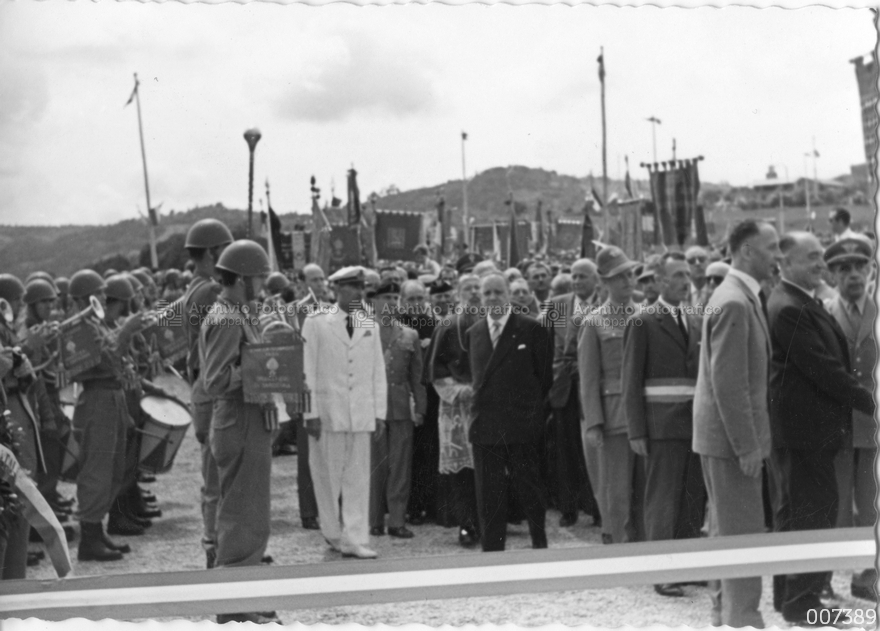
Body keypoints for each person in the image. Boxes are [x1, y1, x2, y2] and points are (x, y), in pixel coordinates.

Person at [766, 232, 874, 625]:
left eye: (818, 258)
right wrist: (872, 402)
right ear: (786, 262)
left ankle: (791, 597)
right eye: (811, 257)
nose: (819, 264)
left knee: (796, 514)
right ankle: (804, 604)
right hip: (805, 434)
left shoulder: (799, 301)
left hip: (808, 433)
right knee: (812, 516)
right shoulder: (791, 307)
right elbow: (824, 370)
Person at [693, 220, 780, 628]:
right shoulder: (734, 301)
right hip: (731, 442)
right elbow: (729, 385)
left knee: (724, 530)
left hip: (723, 438)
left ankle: (724, 613)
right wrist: (747, 447)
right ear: (747, 251)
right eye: (772, 247)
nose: (777, 255)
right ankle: (743, 618)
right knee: (742, 534)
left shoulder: (735, 296)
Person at [199, 239, 278, 624]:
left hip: (248, 420)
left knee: (251, 514)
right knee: (241, 515)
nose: (262, 285)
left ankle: (244, 594)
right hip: (239, 420)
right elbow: (214, 380)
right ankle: (235, 604)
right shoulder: (227, 318)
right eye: (258, 278)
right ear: (243, 279)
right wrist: (260, 368)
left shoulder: (237, 313)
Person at [622, 252, 705, 598]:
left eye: (687, 274)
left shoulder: (696, 319)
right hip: (660, 425)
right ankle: (662, 570)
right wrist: (637, 430)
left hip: (695, 425)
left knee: (692, 497)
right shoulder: (643, 321)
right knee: (662, 499)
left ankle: (686, 566)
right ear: (658, 281)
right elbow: (630, 380)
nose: (686, 281)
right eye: (677, 275)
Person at [302, 266, 387, 559]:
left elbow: (378, 372)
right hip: (327, 411)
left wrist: (379, 412)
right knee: (326, 476)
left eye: (361, 287)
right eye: (352, 287)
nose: (358, 293)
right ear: (337, 289)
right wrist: (309, 412)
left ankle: (354, 537)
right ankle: (332, 532)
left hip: (360, 411)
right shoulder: (316, 322)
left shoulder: (369, 325)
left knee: (358, 477)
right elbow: (306, 371)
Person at [466, 273, 553, 552]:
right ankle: (493, 550)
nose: (492, 298)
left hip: (521, 422)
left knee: (529, 486)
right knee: (489, 492)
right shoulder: (474, 333)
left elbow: (544, 377)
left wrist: (530, 412)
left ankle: (539, 542)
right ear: (480, 297)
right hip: (487, 424)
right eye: (487, 293)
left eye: (498, 292)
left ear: (508, 295)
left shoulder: (530, 329)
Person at [68, 269, 145, 562]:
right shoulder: (80, 328)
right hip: (98, 398)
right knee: (98, 470)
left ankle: (96, 529)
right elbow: (106, 358)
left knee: (114, 467)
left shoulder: (94, 325)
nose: (103, 297)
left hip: (110, 396)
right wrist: (126, 331)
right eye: (98, 293)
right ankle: (89, 537)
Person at [578, 247, 644, 545]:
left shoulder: (646, 315)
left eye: (631, 274)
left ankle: (645, 544)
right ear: (604, 282)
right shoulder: (594, 322)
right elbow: (589, 378)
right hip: (614, 417)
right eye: (620, 277)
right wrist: (593, 423)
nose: (628, 281)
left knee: (645, 487)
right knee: (615, 490)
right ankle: (618, 544)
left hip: (646, 413)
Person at [823, 237, 877, 602]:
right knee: (834, 504)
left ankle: (868, 575)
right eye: (844, 269)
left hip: (873, 426)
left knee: (872, 502)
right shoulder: (823, 313)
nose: (854, 275)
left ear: (871, 270)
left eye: (860, 266)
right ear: (832, 275)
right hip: (836, 425)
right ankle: (823, 577)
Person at [181, 218, 233, 567]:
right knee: (218, 477)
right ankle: (218, 548)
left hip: (202, 386)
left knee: (213, 475)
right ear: (213, 253)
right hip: (213, 390)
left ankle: (220, 543)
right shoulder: (211, 291)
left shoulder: (194, 287)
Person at [544, 259, 600, 529]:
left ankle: (597, 506)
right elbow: (545, 344)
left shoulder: (607, 304)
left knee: (593, 445)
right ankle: (568, 508)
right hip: (564, 385)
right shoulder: (556, 305)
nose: (577, 281)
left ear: (596, 279)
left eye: (583, 276)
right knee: (565, 449)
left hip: (594, 386)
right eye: (574, 276)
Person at [368, 280, 426, 539]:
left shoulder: (409, 334)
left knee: (400, 466)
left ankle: (397, 521)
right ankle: (374, 521)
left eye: (394, 297)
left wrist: (421, 407)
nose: (390, 302)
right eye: (385, 297)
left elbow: (417, 377)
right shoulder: (364, 331)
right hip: (373, 406)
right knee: (375, 465)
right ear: (374, 302)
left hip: (401, 404)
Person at [427, 274, 482, 547]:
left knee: (490, 464)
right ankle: (466, 523)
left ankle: (488, 520)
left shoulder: (495, 323)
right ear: (459, 293)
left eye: (478, 288)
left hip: (488, 407)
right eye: (468, 288)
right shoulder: (448, 325)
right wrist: (463, 391)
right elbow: (436, 373)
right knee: (462, 472)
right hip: (457, 407)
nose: (474, 292)